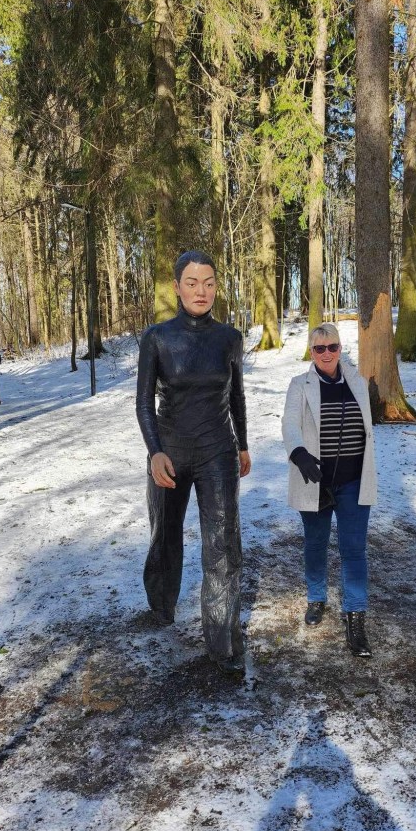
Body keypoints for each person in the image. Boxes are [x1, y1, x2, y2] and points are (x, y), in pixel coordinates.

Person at [136, 250, 251, 676]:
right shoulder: (157, 338)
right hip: (170, 453)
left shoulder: (229, 338)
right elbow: (143, 404)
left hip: (218, 451)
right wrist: (155, 452)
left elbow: (236, 396)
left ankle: (222, 643)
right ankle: (161, 606)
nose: (201, 291)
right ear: (177, 287)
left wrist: (242, 445)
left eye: (209, 282)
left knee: (222, 545)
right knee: (165, 535)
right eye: (191, 283)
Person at [282, 323, 377, 658]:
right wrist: (299, 453)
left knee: (354, 550)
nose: (326, 354)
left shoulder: (358, 382)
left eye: (332, 347)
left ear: (340, 349)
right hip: (315, 481)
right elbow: (289, 424)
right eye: (319, 348)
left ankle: (355, 617)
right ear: (311, 352)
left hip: (354, 482)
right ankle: (316, 597)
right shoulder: (300, 385)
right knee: (316, 543)